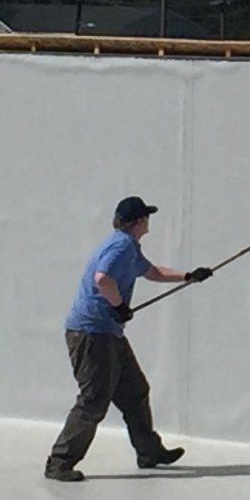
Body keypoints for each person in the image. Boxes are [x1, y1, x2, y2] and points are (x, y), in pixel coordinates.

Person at [44, 196, 214, 483]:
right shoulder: (121, 246)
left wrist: (189, 275)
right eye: (146, 216)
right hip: (92, 333)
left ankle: (149, 452)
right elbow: (102, 278)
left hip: (107, 332)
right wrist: (119, 305)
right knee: (93, 400)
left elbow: (153, 272)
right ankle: (59, 463)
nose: (149, 221)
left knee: (135, 391)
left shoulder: (128, 247)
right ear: (138, 222)